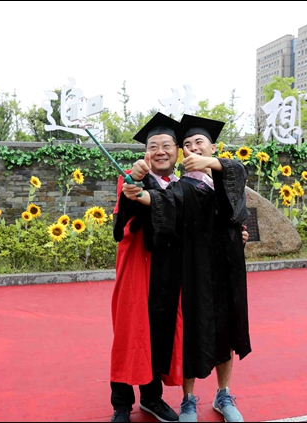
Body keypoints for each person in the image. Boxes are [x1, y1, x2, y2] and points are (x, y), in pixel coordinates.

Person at [122, 114, 251, 422]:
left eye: (199, 142)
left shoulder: (226, 179)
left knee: (225, 330)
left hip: (226, 270)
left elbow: (237, 182)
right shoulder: (184, 186)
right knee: (192, 330)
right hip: (194, 269)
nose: (193, 147)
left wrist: (240, 235)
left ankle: (223, 394)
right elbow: (165, 201)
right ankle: (188, 399)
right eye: (188, 144)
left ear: (212, 147)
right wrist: (138, 194)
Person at [109, 112, 183, 423]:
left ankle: (152, 398)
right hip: (138, 267)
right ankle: (121, 405)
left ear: (177, 151)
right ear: (145, 153)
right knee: (131, 332)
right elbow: (122, 220)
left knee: (159, 333)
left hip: (169, 271)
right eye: (153, 147)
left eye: (167, 145)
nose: (160, 151)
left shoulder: (184, 185)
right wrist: (135, 184)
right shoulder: (130, 178)